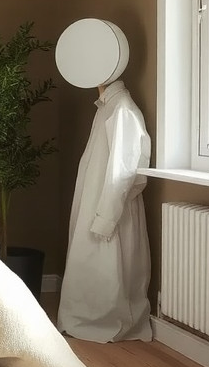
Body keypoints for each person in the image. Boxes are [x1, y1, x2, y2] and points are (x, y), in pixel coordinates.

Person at [55, 20, 152, 342]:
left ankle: (104, 321)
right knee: (93, 267)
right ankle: (83, 317)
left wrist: (106, 218)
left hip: (110, 208)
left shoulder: (121, 110)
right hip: (97, 201)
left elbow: (124, 171)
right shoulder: (108, 108)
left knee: (110, 270)